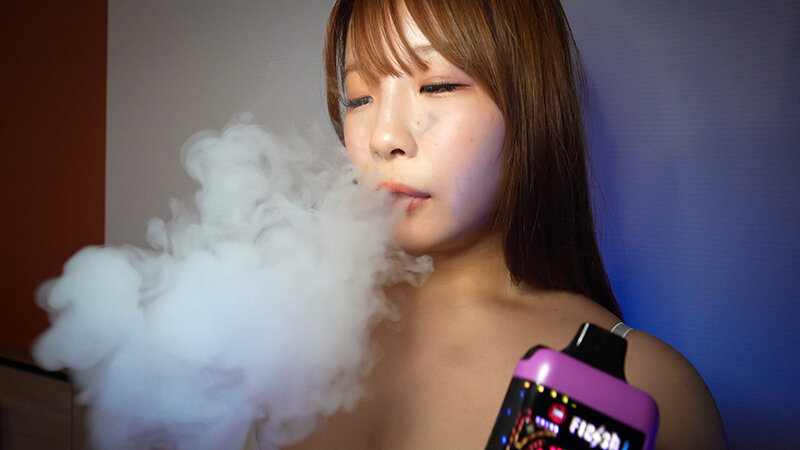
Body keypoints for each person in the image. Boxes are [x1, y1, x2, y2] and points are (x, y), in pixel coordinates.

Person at [272, 0, 728, 448]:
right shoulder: (287, 325)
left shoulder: (649, 389)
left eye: (438, 86)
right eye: (360, 97)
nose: (383, 136)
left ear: (530, 105)